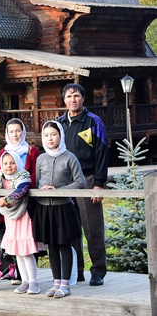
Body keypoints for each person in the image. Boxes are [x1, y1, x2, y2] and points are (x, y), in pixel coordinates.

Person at [58, 83, 109, 287]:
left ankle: (98, 271)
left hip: (88, 181)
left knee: (92, 229)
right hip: (66, 183)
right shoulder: (59, 124)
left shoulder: (93, 122)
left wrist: (99, 184)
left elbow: (102, 152)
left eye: (76, 96)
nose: (73, 99)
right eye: (69, 96)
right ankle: (75, 271)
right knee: (71, 230)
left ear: (83, 98)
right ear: (64, 100)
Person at [33, 121, 85, 298]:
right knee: (52, 245)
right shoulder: (41, 159)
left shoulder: (70, 157)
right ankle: (56, 283)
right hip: (44, 209)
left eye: (53, 134)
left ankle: (66, 283)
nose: (50, 138)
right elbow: (38, 181)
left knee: (64, 244)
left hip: (63, 208)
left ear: (60, 135)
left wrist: (60, 191)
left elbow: (80, 182)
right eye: (46, 135)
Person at [0, 151, 40, 294]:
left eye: (12, 163)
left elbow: (22, 189)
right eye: (5, 163)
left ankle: (33, 282)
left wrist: (6, 200)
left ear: (18, 163)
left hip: (23, 215)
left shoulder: (22, 175)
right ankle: (24, 281)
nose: (9, 166)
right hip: (10, 217)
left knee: (26, 251)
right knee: (17, 251)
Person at [0, 117, 41, 285]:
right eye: (11, 131)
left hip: (26, 201)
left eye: (18, 131)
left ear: (23, 132)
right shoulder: (3, 153)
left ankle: (32, 281)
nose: (15, 134)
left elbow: (35, 175)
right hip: (9, 207)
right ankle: (22, 279)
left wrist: (24, 194)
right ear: (7, 134)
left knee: (26, 243)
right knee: (15, 242)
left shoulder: (31, 151)